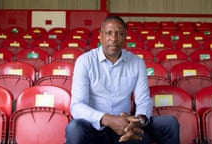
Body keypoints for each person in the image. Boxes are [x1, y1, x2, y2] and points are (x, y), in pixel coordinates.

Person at [65, 15, 180, 144]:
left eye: (119, 34)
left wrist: (137, 122)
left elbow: (143, 101)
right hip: (95, 129)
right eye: (109, 33)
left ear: (125, 37)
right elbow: (77, 106)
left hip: (127, 129)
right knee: (75, 128)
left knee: (170, 124)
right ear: (101, 36)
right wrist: (107, 119)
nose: (113, 39)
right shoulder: (85, 61)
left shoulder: (136, 63)